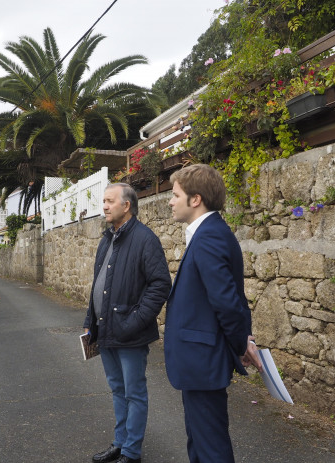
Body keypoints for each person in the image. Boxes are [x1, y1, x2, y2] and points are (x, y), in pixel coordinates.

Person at [164, 164, 263, 463]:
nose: (170, 201)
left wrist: (240, 343)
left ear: (196, 200)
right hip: (199, 360)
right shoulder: (209, 232)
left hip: (202, 360)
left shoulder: (209, 236)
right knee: (200, 440)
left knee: (210, 448)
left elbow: (227, 301)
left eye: (175, 194)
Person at [84, 183, 171, 463]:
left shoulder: (145, 239)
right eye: (104, 202)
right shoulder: (107, 238)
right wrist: (90, 324)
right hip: (106, 331)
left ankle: (132, 452)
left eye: (110, 201)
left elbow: (160, 285)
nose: (105, 206)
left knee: (134, 393)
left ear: (127, 205)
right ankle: (120, 444)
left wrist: (135, 321)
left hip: (130, 334)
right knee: (117, 390)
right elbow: (98, 285)